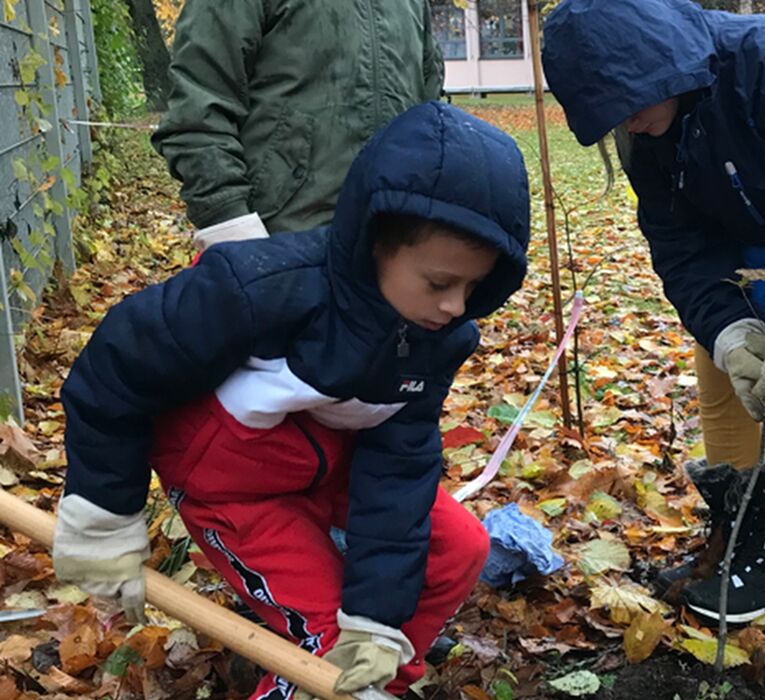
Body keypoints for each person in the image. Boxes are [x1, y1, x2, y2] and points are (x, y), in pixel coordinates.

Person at [51, 103, 530, 700]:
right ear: (376, 241)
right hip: (234, 490)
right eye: (439, 283)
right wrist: (103, 516)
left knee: (460, 548)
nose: (456, 307)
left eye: (474, 287)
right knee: (322, 644)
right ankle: (327, 678)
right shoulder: (256, 289)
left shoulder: (437, 338)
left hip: (329, 467)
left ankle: (372, 681)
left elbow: (399, 467)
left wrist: (376, 621)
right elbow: (115, 367)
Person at [541, 0, 765, 623]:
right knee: (725, 359)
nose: (627, 123)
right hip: (733, 223)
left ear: (662, 67)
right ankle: (733, 539)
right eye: (612, 117)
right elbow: (681, 244)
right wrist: (728, 330)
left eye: (630, 104)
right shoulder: (646, 131)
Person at [152, 0, 445, 246]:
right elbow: (198, 108)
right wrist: (235, 233)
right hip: (279, 244)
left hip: (391, 249)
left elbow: (427, 112)